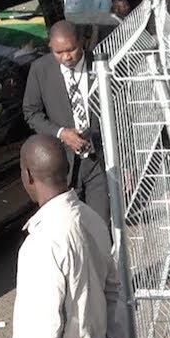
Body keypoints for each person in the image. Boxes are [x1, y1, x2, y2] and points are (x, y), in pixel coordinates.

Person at [5, 134, 122, 338]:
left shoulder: (42, 244)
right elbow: (113, 295)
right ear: (67, 170)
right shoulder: (91, 220)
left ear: (28, 176)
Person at [21, 22, 108, 225]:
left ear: (82, 42)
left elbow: (121, 110)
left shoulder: (99, 64)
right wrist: (61, 133)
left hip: (97, 161)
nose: (66, 57)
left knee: (101, 226)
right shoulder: (40, 70)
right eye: (59, 52)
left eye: (71, 50)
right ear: (50, 46)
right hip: (64, 167)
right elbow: (31, 112)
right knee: (72, 227)